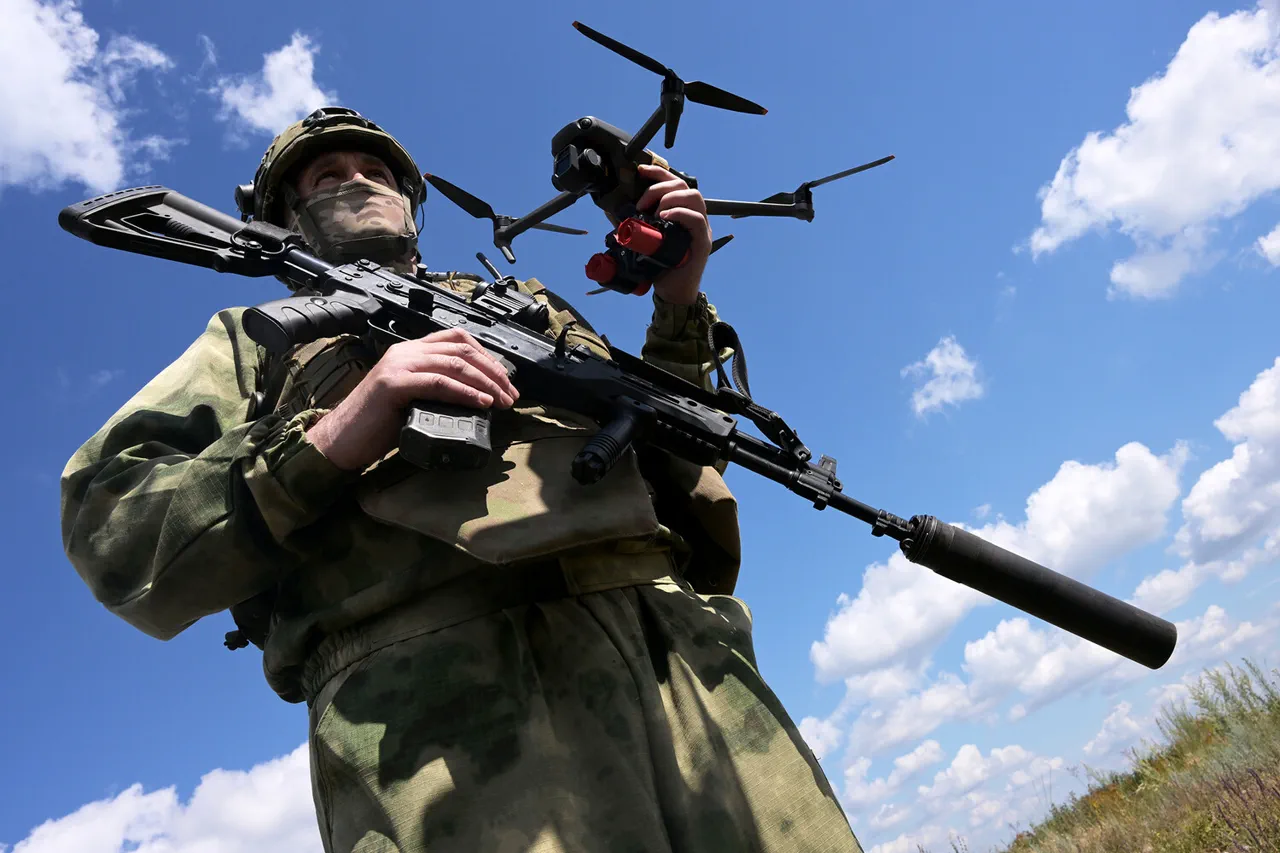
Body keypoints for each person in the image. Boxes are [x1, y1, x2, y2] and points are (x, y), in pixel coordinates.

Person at [60, 106, 863, 853]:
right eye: (327, 175)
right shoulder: (248, 342)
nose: (357, 182)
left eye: (376, 172)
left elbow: (679, 465)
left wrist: (679, 303)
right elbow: (110, 526)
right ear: (283, 216)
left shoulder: (527, 306)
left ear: (411, 204)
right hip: (436, 713)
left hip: (678, 655)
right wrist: (332, 435)